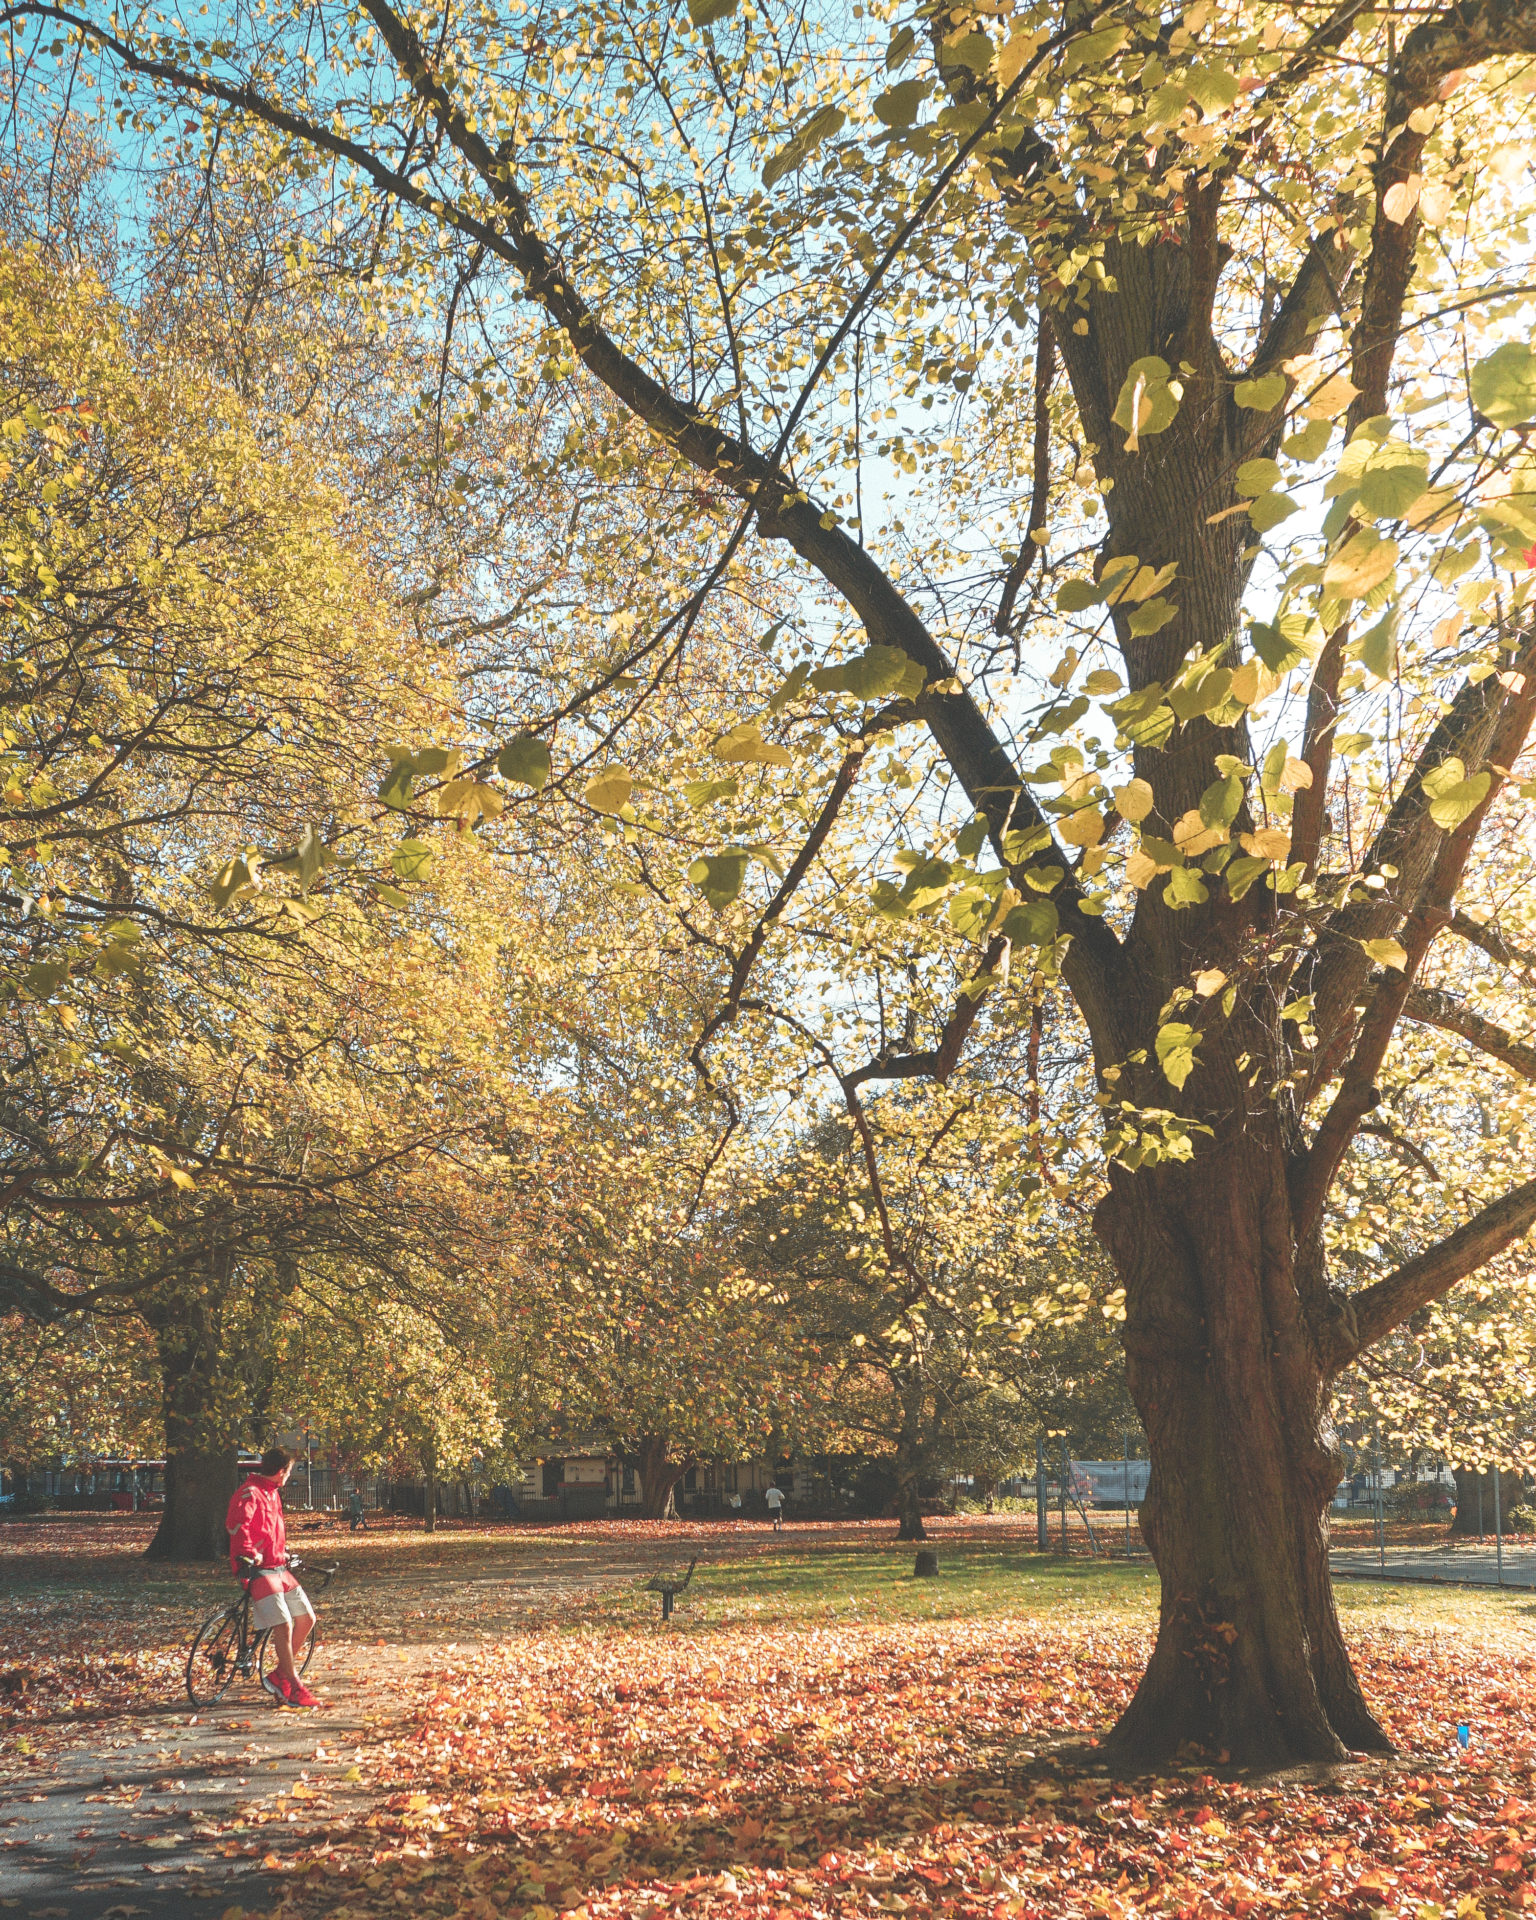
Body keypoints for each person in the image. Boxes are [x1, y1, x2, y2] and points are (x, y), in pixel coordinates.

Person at [226, 1446, 322, 1708]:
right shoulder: (250, 1493)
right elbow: (237, 1525)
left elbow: (271, 1532)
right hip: (255, 1568)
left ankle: (280, 1674)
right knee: (284, 1623)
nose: (289, 1476)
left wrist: (283, 1553)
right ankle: (293, 1684)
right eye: (290, 1471)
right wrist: (248, 1553)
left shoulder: (272, 1494)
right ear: (282, 1472)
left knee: (306, 1618)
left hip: (277, 1566)